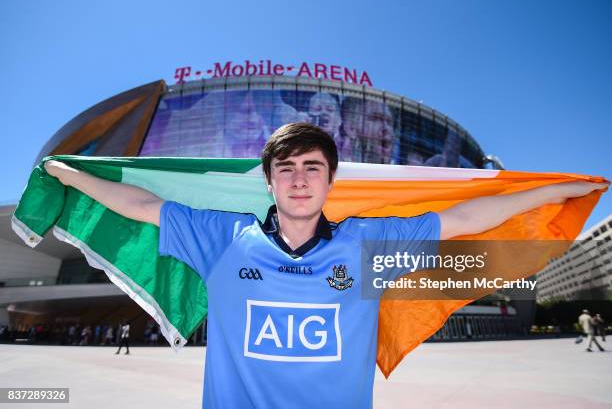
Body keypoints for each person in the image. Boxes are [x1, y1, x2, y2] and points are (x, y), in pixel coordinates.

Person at [43, 122, 607, 409]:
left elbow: (464, 218)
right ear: (269, 181)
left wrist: (553, 192)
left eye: (312, 167)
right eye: (285, 168)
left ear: (330, 181)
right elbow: (142, 206)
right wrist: (70, 176)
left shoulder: (366, 246)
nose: (298, 178)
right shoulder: (224, 238)